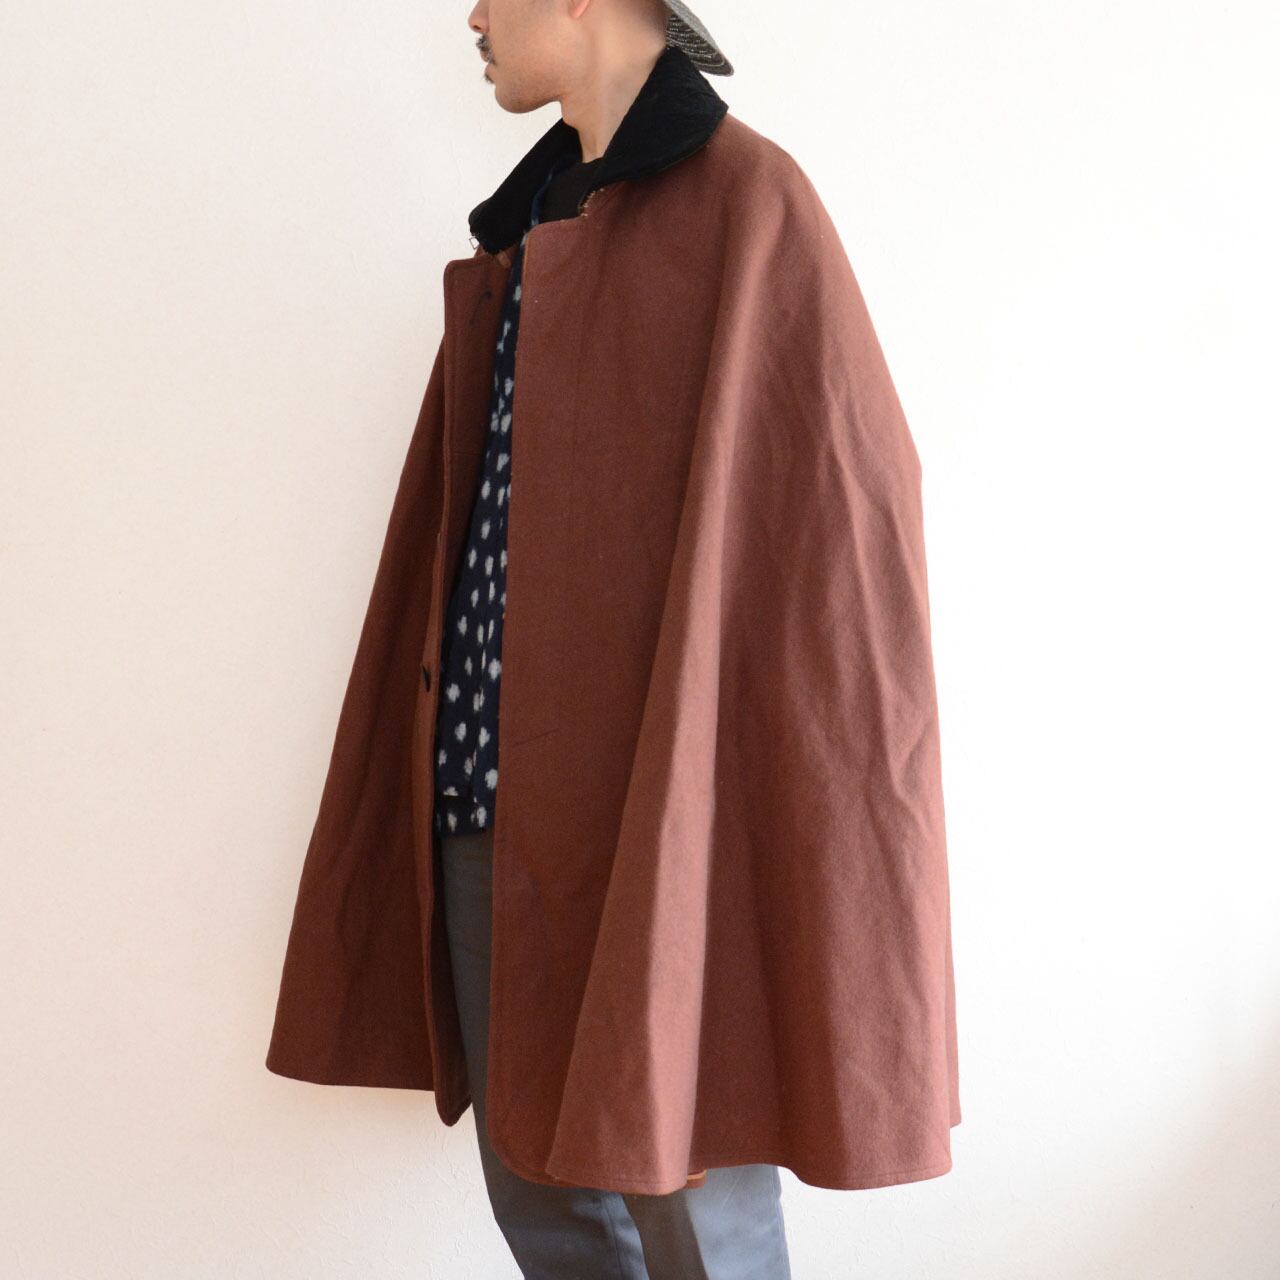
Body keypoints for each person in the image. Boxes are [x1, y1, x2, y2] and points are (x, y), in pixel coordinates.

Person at [266, 0, 960, 1274]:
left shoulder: (749, 204)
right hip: (482, 797)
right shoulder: (529, 223)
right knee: (542, 1199)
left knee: (693, 1203)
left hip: (658, 820)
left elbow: (842, 525)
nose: (473, 16)